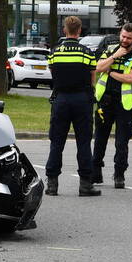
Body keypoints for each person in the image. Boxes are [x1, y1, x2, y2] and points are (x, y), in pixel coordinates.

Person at [43, 15, 101, 197]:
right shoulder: (87, 53)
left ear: (64, 30)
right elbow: (93, 77)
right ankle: (85, 184)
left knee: (56, 142)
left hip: (61, 100)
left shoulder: (55, 52)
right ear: (80, 30)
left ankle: (52, 184)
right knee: (83, 142)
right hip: (81, 100)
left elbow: (53, 73)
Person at [92, 23, 132, 188]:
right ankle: (96, 173)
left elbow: (130, 78)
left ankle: (119, 174)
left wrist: (110, 72)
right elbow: (98, 67)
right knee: (100, 138)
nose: (125, 40)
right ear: (119, 35)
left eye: (128, 38)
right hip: (105, 102)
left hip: (124, 104)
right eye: (123, 36)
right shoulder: (110, 50)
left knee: (121, 142)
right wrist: (114, 57)